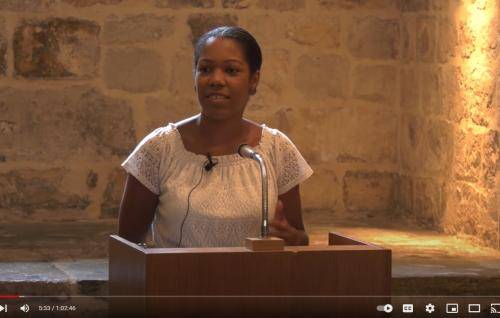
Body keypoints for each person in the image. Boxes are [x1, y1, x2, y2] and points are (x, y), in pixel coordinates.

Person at [118, 26, 313, 248]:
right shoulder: (158, 149)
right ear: (195, 76)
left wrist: (292, 238)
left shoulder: (276, 149)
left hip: (257, 282)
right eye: (206, 69)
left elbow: (299, 242)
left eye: (231, 70)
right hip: (176, 281)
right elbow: (126, 248)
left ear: (254, 80)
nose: (216, 80)